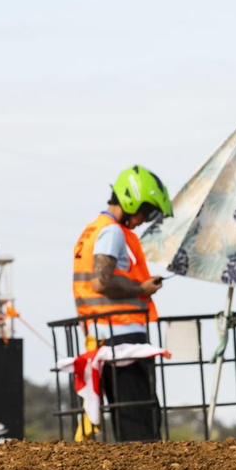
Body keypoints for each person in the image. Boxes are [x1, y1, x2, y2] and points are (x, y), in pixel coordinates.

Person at [70, 165, 174, 441]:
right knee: (141, 427)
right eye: (147, 211)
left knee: (129, 424)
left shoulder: (93, 230)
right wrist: (142, 288)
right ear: (131, 202)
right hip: (123, 342)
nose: (145, 220)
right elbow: (101, 282)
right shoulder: (112, 232)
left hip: (104, 339)